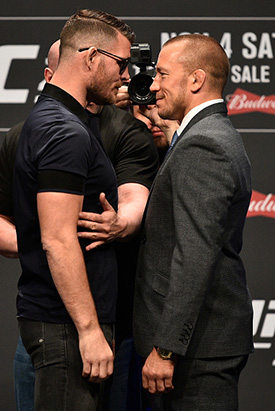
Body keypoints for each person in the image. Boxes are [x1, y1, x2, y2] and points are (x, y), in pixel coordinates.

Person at [0, 36, 159, 411]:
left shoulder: (125, 131)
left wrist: (121, 223)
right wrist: (54, 240)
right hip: (53, 319)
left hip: (112, 320)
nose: (123, 76)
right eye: (118, 65)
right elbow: (21, 226)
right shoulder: (38, 134)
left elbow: (135, 200)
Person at [133, 34, 254, 410]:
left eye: (163, 75)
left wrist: (166, 349)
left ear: (196, 80)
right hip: (202, 344)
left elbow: (194, 255)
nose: (152, 86)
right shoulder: (209, 135)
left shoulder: (203, 147)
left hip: (196, 350)